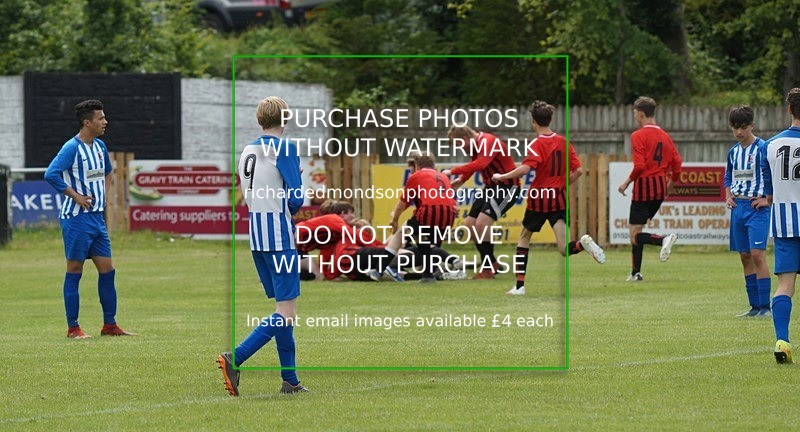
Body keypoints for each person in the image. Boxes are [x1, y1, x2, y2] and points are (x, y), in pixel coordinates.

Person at [217, 96, 308, 395]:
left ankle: (290, 380)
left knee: (284, 308)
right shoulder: (284, 148)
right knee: (286, 312)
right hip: (279, 233)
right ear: (286, 119)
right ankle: (236, 357)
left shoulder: (248, 150)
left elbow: (249, 192)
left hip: (257, 234)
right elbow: (295, 200)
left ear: (259, 120)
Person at [492, 100, 605, 296]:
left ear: (533, 121)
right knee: (563, 248)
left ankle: (519, 286)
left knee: (524, 238)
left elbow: (526, 168)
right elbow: (578, 171)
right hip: (559, 198)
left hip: (539, 198)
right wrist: (561, 184)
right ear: (550, 119)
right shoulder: (563, 141)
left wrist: (502, 176)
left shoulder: (537, 143)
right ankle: (582, 244)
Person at [44, 99, 135, 339]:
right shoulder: (71, 148)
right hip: (76, 219)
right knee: (75, 270)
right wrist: (76, 196)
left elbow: (107, 172)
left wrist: (104, 195)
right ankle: (73, 328)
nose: (105, 122)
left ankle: (110, 325)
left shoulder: (100, 146)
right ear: (87, 122)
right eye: (100, 118)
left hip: (96, 219)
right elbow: (51, 174)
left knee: (108, 271)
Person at [617, 96, 682, 281]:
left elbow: (639, 166)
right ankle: (635, 273)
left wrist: (626, 183)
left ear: (641, 114)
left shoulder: (638, 135)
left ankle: (663, 240)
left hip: (645, 186)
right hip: (660, 187)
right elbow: (677, 165)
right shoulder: (666, 137)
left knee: (634, 235)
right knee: (637, 230)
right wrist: (669, 186)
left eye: (635, 113)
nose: (635, 117)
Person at [442, 125, 519, 279]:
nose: (460, 149)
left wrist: (453, 171)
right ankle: (491, 263)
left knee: (482, 224)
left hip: (507, 187)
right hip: (490, 187)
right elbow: (474, 164)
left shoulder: (488, 141)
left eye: (459, 144)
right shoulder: (476, 145)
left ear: (464, 138)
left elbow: (481, 164)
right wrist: (460, 180)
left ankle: (488, 268)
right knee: (469, 224)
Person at [758, 87, 800, 363]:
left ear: (789, 110)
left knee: (785, 285)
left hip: (785, 223)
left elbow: (769, 192)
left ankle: (782, 340)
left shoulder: (770, 145)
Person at [723, 106, 771, 317]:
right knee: (744, 256)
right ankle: (754, 307)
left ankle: (765, 307)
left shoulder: (763, 148)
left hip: (756, 207)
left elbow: (772, 176)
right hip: (739, 207)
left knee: (757, 255)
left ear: (752, 125)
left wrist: (767, 199)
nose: (739, 132)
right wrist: (728, 195)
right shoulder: (733, 152)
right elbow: (728, 177)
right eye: (735, 127)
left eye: (743, 127)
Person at [389, 152, 457, 283]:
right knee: (429, 245)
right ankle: (431, 272)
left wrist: (395, 218)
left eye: (412, 168)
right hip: (447, 215)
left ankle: (382, 268)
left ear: (417, 165)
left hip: (428, 214)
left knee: (406, 234)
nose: (411, 171)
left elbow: (403, 202)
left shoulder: (418, 176)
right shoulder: (441, 176)